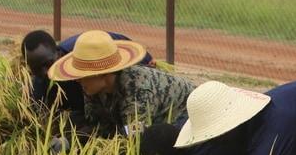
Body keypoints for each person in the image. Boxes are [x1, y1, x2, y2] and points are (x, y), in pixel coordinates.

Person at [46, 30, 191, 136]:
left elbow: (136, 137)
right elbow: (97, 126)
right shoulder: (92, 89)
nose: (77, 80)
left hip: (187, 118)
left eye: (83, 75)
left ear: (102, 74)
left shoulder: (137, 89)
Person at [22, 29, 154, 123]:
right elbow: (95, 124)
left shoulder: (84, 51)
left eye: (48, 64)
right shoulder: (41, 87)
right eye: (37, 69)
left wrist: (146, 63)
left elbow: (135, 133)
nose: (46, 72)